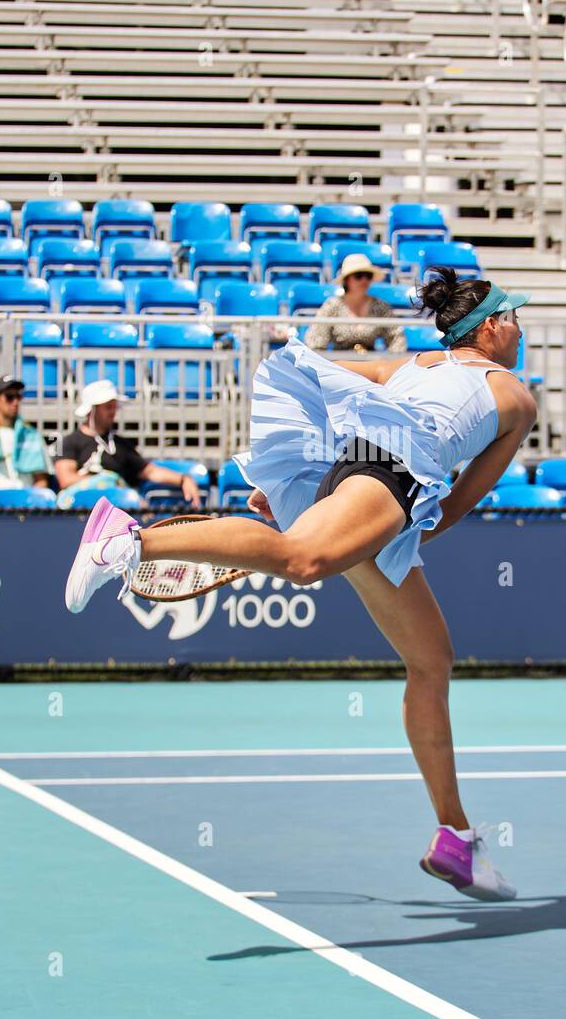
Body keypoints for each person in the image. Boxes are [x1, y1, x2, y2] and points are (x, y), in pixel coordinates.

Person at [65, 268, 537, 903]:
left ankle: (455, 836)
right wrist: (393, 520)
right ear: (490, 326)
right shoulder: (516, 399)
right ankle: (129, 537)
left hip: (370, 480)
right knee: (303, 559)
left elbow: (331, 386)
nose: (521, 329)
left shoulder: (415, 365)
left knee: (431, 661)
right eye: (515, 318)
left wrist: (316, 488)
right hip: (391, 481)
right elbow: (463, 500)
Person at [54, 379, 201, 507]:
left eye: (114, 407)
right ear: (92, 410)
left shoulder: (121, 445)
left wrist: (183, 479)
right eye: (107, 407)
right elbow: (66, 479)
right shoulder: (69, 442)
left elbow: (149, 471)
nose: (112, 412)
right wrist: (107, 482)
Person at [305, 253, 406, 354]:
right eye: (359, 275)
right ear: (346, 280)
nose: (364, 280)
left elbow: (397, 338)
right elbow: (315, 340)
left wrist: (389, 364)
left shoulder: (380, 306)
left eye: (368, 276)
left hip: (371, 366)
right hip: (339, 365)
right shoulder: (332, 305)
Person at [0, 376, 51, 498]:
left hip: (27, 507)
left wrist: (28, 501)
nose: (15, 402)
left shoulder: (32, 435)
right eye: (9, 397)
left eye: (18, 397)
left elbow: (41, 480)